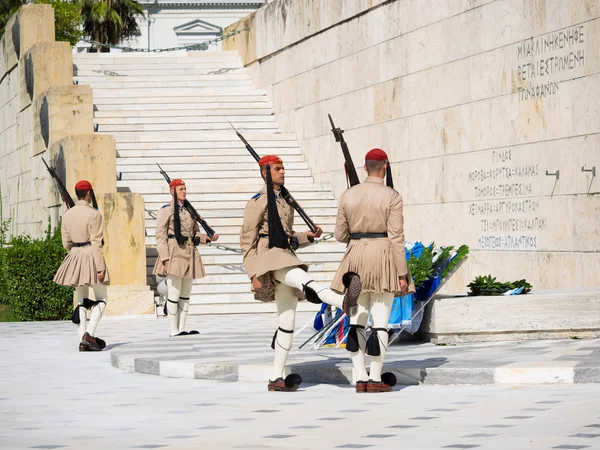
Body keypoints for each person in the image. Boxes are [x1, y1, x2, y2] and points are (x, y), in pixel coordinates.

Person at [240, 154, 362, 392]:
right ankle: (342, 301)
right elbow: (247, 239)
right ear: (265, 173)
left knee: (287, 322)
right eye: (277, 169)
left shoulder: (284, 200)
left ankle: (276, 378)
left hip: (284, 252)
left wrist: (307, 236)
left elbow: (285, 235)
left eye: (283, 168)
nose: (282, 172)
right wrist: (252, 273)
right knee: (305, 280)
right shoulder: (258, 201)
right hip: (269, 258)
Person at [331, 148, 415, 393]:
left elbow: (339, 235)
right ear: (385, 167)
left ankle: (359, 377)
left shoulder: (348, 195)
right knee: (380, 322)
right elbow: (396, 237)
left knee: (357, 321)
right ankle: (375, 378)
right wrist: (402, 273)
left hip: (355, 256)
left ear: (365, 167)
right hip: (382, 256)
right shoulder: (392, 196)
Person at [152, 179, 218, 336]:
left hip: (189, 251)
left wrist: (206, 237)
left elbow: (194, 232)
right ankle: (173, 330)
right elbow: (160, 236)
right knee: (174, 293)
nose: (184, 191)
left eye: (185, 188)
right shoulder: (166, 210)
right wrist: (165, 259)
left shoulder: (189, 211)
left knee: (185, 293)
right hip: (174, 251)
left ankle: (181, 328)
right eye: (181, 189)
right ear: (172, 191)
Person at [54, 180, 109, 352]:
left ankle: (81, 340)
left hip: (75, 256)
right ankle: (89, 335)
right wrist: (101, 268)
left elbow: (66, 243)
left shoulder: (67, 214)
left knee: (81, 301)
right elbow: (96, 243)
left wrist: (76, 251)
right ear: (88, 194)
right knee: (102, 298)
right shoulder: (94, 214)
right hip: (91, 256)